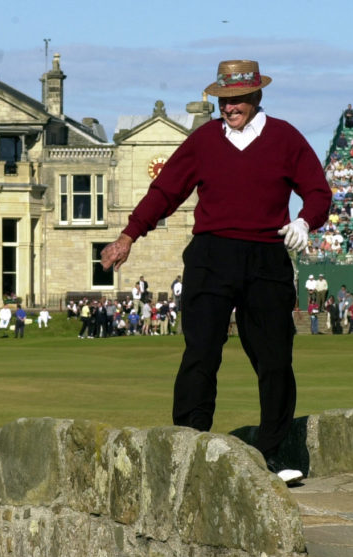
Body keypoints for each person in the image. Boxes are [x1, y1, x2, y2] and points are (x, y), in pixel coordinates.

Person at [99, 59, 332, 484]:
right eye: (224, 100)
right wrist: (129, 236)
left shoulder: (285, 138)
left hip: (266, 255)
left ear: (257, 95)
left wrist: (304, 221)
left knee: (274, 358)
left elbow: (318, 191)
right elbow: (166, 190)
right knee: (201, 352)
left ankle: (274, 454)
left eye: (238, 99)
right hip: (211, 254)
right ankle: (188, 446)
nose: (230, 108)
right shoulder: (204, 140)